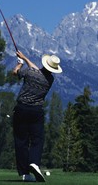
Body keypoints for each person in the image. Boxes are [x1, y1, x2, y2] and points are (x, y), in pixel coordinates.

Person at [12, 50, 62, 182]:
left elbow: (15, 72)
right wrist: (25, 58)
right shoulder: (49, 79)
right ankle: (34, 162)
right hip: (36, 112)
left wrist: (19, 63)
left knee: (21, 141)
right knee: (37, 139)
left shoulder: (30, 73)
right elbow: (36, 70)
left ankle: (25, 173)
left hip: (21, 109)